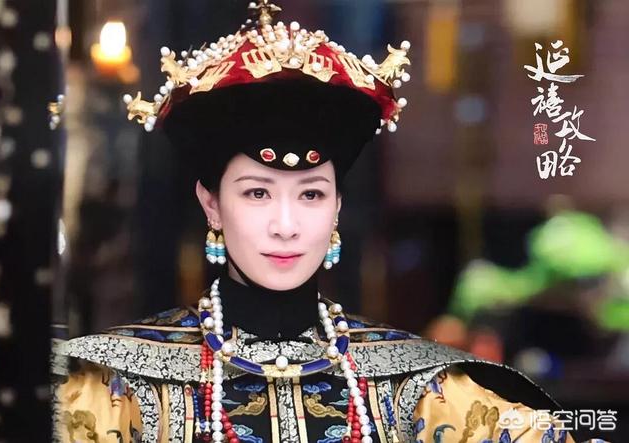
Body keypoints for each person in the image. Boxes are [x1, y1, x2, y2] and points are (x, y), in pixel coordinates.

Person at [52, 2, 609, 442]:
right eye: (257, 193)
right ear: (211, 203)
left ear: (338, 206)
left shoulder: (421, 386)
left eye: (311, 194)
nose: (286, 224)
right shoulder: (116, 385)